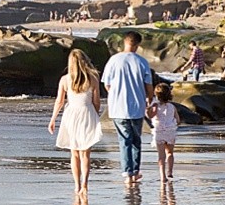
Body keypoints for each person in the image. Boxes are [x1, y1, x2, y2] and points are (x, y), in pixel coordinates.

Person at [102, 31, 154, 185]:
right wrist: (149, 100)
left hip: (118, 107)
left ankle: (127, 173)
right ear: (137, 45)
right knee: (136, 140)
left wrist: (115, 94)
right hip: (137, 106)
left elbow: (107, 84)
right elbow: (149, 86)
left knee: (124, 139)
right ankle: (135, 171)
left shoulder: (113, 60)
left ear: (124, 42)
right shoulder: (142, 62)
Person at [48, 49, 103, 195]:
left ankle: (77, 185)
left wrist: (53, 119)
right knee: (85, 154)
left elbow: (59, 102)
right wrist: (95, 116)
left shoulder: (65, 80)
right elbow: (96, 102)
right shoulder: (93, 78)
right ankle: (85, 184)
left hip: (71, 115)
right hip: (87, 113)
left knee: (75, 154)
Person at [147, 83, 180, 183]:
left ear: (157, 95)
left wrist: (148, 108)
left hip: (159, 131)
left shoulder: (156, 106)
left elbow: (151, 116)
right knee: (170, 153)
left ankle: (163, 176)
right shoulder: (172, 107)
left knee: (161, 156)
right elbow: (178, 120)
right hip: (170, 131)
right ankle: (170, 171)